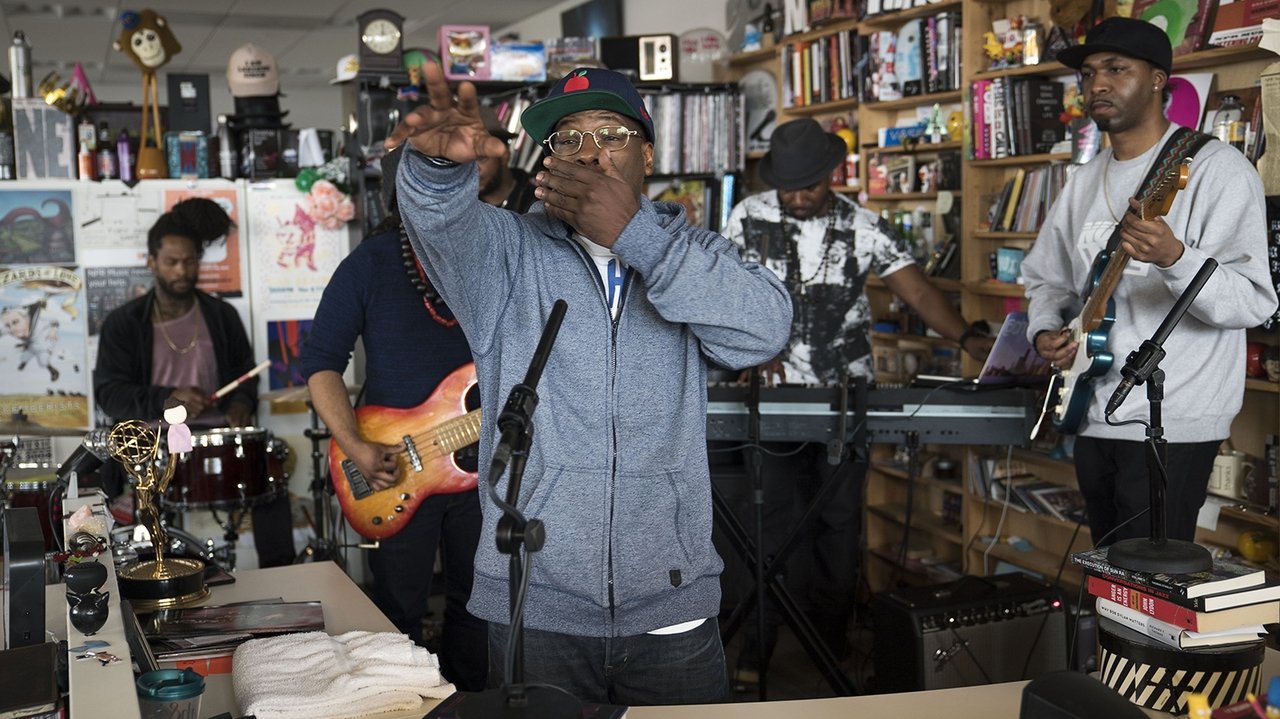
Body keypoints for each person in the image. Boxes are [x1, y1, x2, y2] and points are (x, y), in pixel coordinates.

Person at [385, 62, 792, 705]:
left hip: (672, 610)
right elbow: (439, 223)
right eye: (568, 138)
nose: (588, 153)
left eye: (609, 134)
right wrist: (438, 171)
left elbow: (765, 331)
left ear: (647, 152)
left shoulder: (694, 255)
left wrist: (638, 238)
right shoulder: (507, 253)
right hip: (534, 606)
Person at [722, 117, 993, 683]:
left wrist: (968, 337)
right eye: (790, 186)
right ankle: (756, 648)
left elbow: (915, 288)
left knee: (838, 525)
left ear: (833, 176)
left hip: (847, 396)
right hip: (769, 398)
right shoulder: (747, 216)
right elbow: (725, 292)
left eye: (811, 186)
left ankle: (831, 642)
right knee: (765, 523)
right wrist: (750, 350)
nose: (798, 197)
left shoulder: (863, 225)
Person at [298, 114, 536, 691]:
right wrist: (354, 443)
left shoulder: (493, 256)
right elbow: (319, 363)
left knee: (477, 609)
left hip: (482, 468)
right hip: (393, 465)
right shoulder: (369, 266)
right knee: (396, 613)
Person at [1022, 17, 1277, 545]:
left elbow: (1253, 302)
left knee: (1150, 600)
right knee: (1108, 583)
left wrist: (1175, 258)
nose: (1098, 84)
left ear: (1160, 80)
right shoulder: (1084, 180)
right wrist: (1046, 328)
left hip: (1172, 422)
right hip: (1090, 408)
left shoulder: (1215, 170)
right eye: (1089, 73)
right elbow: (1046, 277)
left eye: (1117, 69)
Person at [94, 197, 296, 569]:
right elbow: (110, 394)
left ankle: (281, 580)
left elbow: (245, 377)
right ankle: (159, 576)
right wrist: (166, 399)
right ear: (151, 261)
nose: (182, 271)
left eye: (190, 261)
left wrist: (240, 405)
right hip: (153, 444)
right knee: (146, 520)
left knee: (271, 477)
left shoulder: (221, 316)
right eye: (171, 262)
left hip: (215, 437)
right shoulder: (124, 323)